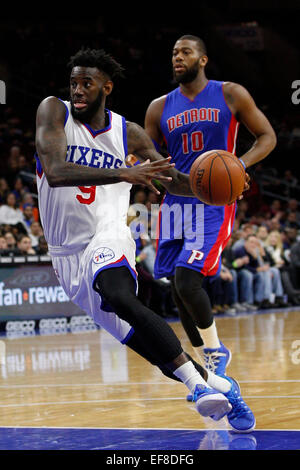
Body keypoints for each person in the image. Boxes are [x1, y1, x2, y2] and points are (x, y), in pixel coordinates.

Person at [34, 47, 255, 432]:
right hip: (65, 256)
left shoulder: (127, 132)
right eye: (74, 83)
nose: (78, 91)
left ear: (107, 87)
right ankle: (219, 386)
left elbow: (171, 179)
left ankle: (199, 391)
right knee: (144, 342)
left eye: (87, 84)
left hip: (108, 233)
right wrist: (124, 174)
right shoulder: (54, 111)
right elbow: (54, 171)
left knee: (120, 295)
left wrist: (218, 189)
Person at [144, 35, 276, 374]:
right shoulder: (159, 107)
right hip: (174, 204)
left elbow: (267, 136)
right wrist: (148, 170)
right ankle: (208, 365)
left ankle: (216, 352)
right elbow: (148, 157)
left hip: (213, 201)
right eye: (174, 53)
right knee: (177, 288)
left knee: (189, 280)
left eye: (185, 52)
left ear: (203, 60)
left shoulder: (230, 93)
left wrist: (239, 166)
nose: (178, 58)